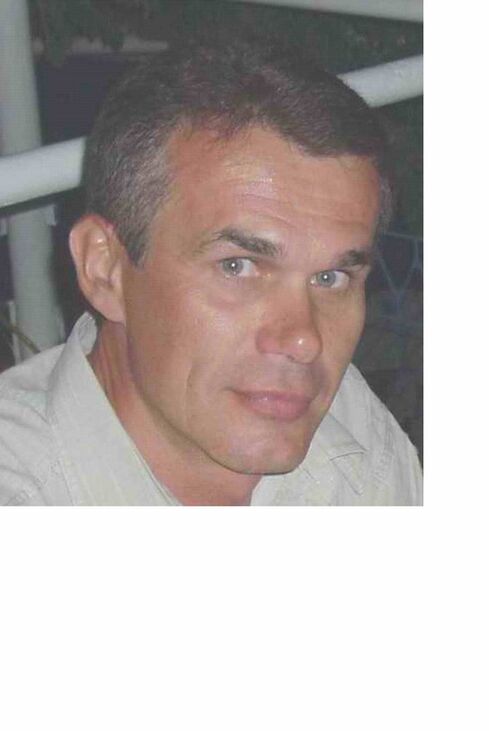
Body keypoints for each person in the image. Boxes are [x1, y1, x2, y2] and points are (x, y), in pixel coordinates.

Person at [0, 38, 422, 505]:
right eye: (237, 267)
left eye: (330, 278)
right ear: (105, 268)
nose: (304, 341)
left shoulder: (345, 421)